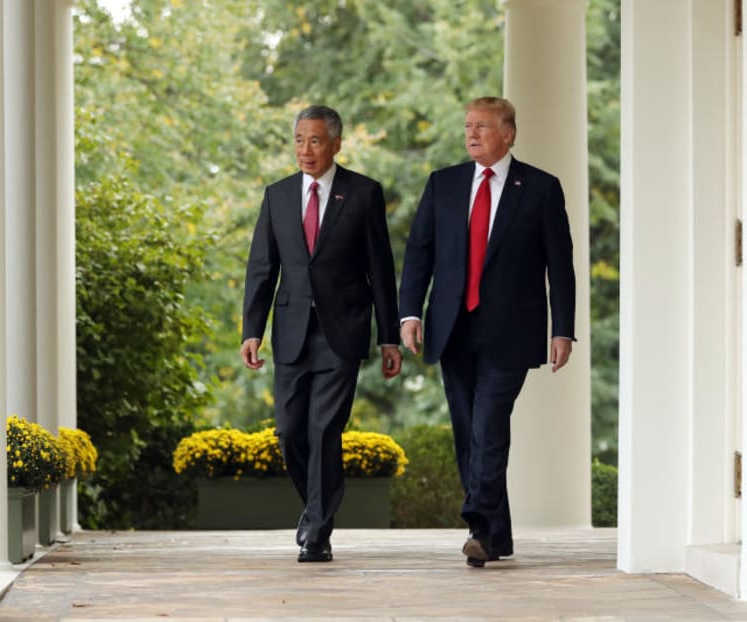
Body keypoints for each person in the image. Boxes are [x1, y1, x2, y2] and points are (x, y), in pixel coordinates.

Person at [398, 96, 575, 568]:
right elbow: (419, 253)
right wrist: (409, 314)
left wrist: (565, 330)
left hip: (511, 330)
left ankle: (477, 520)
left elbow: (561, 265)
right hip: (451, 327)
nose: (472, 134)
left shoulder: (539, 188)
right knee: (466, 429)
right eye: (468, 126)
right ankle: (495, 535)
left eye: (482, 126)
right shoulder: (444, 185)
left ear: (509, 134)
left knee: (490, 424)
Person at [241, 105, 402, 563]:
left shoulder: (363, 193)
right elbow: (261, 267)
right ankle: (314, 508)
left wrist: (388, 337)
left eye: (314, 141)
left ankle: (318, 532)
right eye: (298, 140)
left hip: (343, 331)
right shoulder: (277, 196)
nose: (305, 150)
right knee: (291, 431)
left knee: (324, 428)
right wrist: (251, 329)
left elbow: (380, 270)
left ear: (335, 143)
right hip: (291, 331)